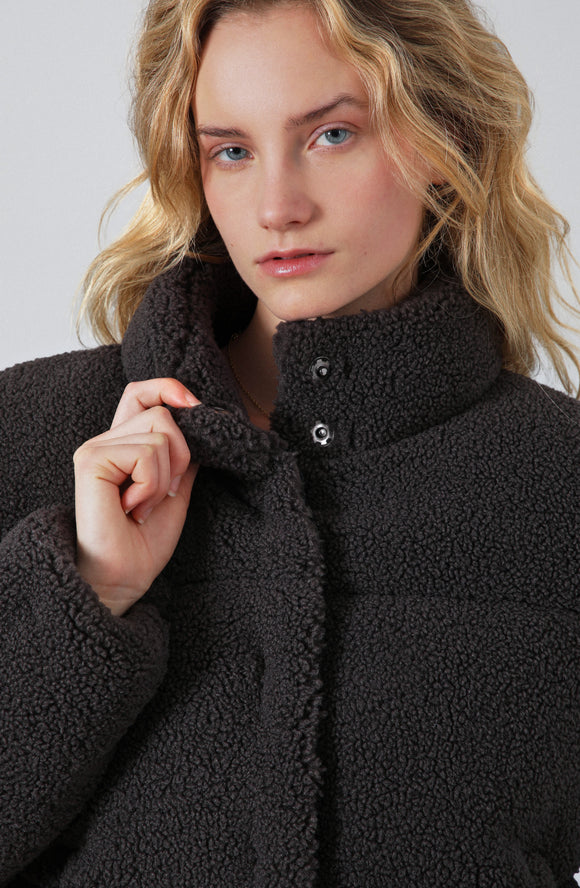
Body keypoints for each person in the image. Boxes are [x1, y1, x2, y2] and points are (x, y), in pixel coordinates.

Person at [1, 0, 579, 885]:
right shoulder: (33, 431)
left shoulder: (558, 479)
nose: (278, 207)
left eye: (332, 135)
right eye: (231, 151)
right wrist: (92, 589)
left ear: (444, 139)